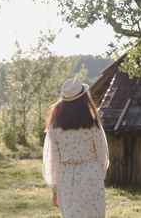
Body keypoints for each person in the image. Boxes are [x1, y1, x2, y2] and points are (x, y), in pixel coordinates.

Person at [42, 78, 110, 218]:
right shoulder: (93, 126)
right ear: (85, 100)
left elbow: (53, 161)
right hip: (91, 174)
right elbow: (102, 154)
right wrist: (99, 175)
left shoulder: (55, 128)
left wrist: (54, 189)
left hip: (66, 177)